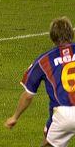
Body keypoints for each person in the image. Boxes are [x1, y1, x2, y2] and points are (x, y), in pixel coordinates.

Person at [5, 17, 75, 147]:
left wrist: (14, 117)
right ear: (72, 33)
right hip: (62, 113)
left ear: (52, 37)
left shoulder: (44, 61)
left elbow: (28, 95)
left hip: (64, 114)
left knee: (47, 142)